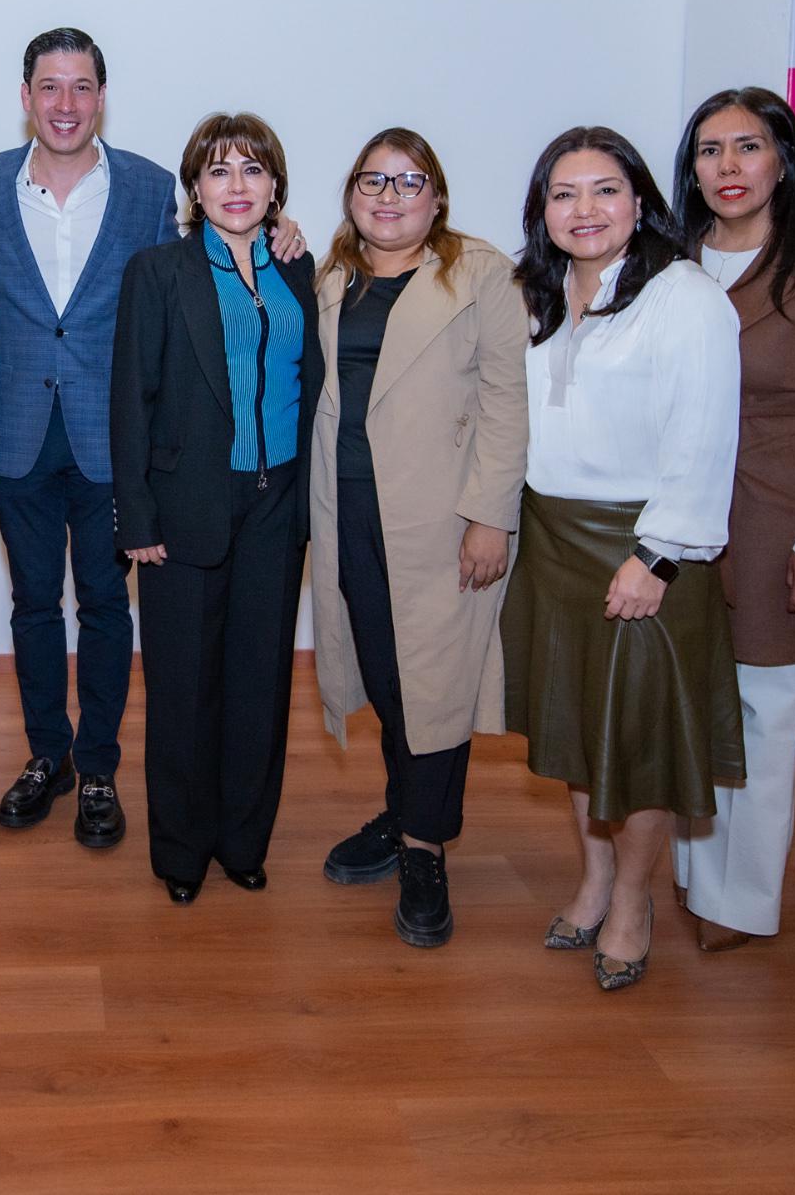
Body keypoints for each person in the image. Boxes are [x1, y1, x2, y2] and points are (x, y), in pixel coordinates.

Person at [500, 126, 742, 991]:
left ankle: (634, 901)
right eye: (563, 194)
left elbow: (705, 438)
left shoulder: (685, 296)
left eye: (605, 189)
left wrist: (658, 556)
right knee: (578, 724)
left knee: (637, 740)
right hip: (553, 542)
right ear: (542, 211)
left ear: (641, 201)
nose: (585, 210)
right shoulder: (534, 292)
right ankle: (595, 879)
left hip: (642, 548)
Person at [0, 29, 177, 849]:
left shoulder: (150, 186)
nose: (66, 104)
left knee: (107, 606)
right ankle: (50, 755)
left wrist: (275, 235)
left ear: (102, 97)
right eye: (50, 87)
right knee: (34, 605)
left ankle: (100, 765)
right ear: (26, 96)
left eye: (81, 87)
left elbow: (183, 286)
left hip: (114, 439)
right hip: (18, 438)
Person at [664, 88, 795, 950]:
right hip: (682, 510)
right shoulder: (674, 259)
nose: (728, 166)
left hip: (779, 509)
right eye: (709, 150)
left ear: (784, 159)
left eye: (747, 146)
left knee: (763, 710)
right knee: (690, 702)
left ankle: (741, 902)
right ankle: (693, 872)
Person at [306, 128, 530, 948]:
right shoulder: (330, 277)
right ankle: (404, 811)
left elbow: (508, 399)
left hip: (445, 519)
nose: (390, 195)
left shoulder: (480, 273)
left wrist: (491, 515)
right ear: (351, 194)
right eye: (374, 180)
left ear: (437, 198)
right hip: (348, 511)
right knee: (386, 676)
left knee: (434, 683)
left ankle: (425, 847)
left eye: (409, 181)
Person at [110, 112, 323, 904]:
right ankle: (181, 850)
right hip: (186, 504)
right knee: (182, 687)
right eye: (219, 170)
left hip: (278, 501)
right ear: (194, 188)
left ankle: (243, 840)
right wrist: (136, 519)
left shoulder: (297, 267)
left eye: (253, 169)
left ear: (275, 186)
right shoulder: (158, 271)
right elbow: (130, 398)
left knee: (259, 682)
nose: (237, 185)